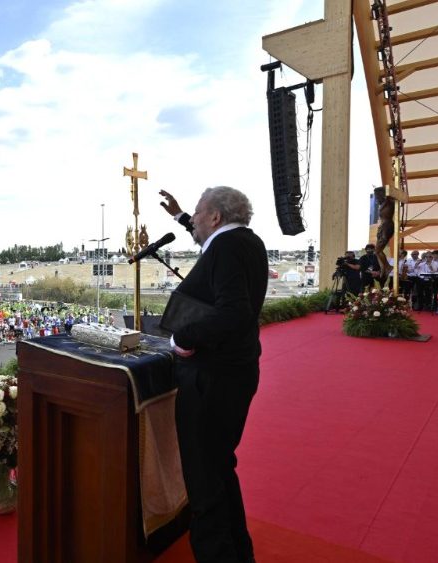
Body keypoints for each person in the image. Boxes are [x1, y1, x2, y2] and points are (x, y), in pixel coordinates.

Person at [159, 186, 267, 562]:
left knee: (204, 480)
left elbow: (233, 312)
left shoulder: (225, 248)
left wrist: (184, 338)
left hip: (211, 378)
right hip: (236, 372)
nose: (194, 220)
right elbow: (202, 233)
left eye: (197, 213)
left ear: (216, 217)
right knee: (220, 468)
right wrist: (179, 216)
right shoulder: (248, 242)